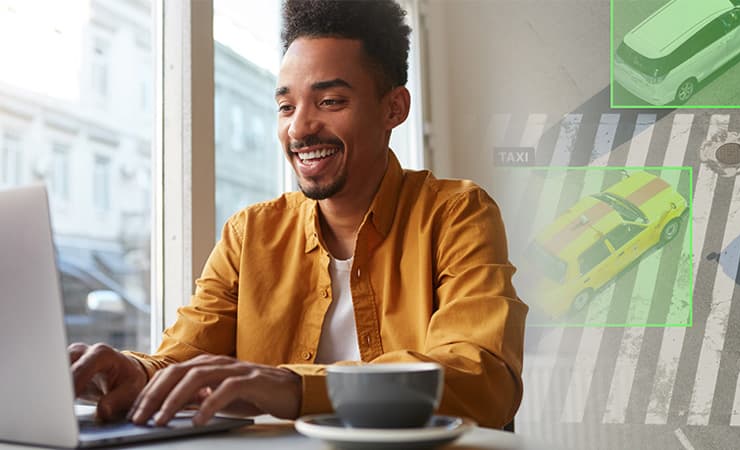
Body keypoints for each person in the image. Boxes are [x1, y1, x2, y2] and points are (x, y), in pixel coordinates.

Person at [69, 0, 527, 429]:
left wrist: (294, 386)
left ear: (394, 108)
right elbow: (184, 361)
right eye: (286, 106)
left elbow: (482, 377)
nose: (299, 128)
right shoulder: (249, 234)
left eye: (330, 102)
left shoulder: (457, 214)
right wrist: (135, 371)